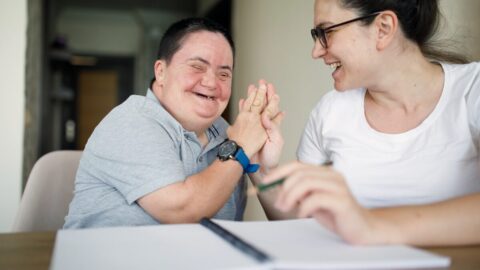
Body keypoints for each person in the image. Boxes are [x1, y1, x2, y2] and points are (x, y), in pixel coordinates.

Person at [261, 0, 480, 246]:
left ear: (383, 28)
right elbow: (302, 224)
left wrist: (371, 225)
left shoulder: (473, 89)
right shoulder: (330, 111)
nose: (316, 51)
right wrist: (260, 168)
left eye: (327, 31)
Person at [63, 18, 284, 228]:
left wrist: (259, 167)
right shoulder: (132, 121)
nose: (211, 82)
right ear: (161, 72)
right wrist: (239, 148)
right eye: (197, 66)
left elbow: (288, 223)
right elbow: (183, 211)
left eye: (224, 74)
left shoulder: (230, 134)